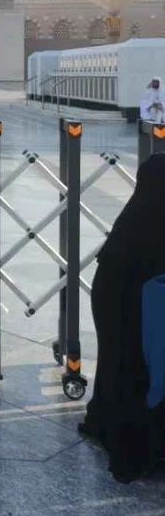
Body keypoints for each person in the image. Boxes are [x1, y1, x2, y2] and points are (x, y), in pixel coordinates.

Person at [79, 153, 165, 482]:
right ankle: (139, 443)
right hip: (139, 302)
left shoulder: (131, 227)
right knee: (138, 365)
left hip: (112, 295)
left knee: (119, 362)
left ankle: (106, 418)